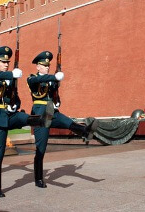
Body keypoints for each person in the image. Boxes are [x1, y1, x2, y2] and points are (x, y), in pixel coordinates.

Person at [0, 46, 51, 197]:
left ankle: (40, 119)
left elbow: (16, 99)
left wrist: (15, 104)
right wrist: (10, 74)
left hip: (9, 115)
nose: (6, 64)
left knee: (21, 116)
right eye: (3, 62)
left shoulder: (9, 80)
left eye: (8, 62)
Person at [27, 51, 99, 188]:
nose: (47, 67)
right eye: (43, 65)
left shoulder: (51, 79)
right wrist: (54, 77)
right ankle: (38, 178)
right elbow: (37, 81)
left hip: (52, 112)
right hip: (41, 115)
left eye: (48, 65)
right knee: (41, 149)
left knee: (68, 122)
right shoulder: (32, 78)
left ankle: (85, 131)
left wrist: (57, 97)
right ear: (37, 67)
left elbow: (54, 94)